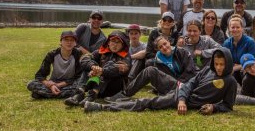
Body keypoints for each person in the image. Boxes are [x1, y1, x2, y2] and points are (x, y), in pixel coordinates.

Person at [84, 47, 238, 114]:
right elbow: (191, 83)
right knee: (151, 70)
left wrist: (214, 108)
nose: (218, 67)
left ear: (229, 63)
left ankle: (102, 108)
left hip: (181, 99)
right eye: (217, 64)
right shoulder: (207, 69)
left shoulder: (230, 81)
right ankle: (121, 97)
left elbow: (227, 106)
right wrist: (183, 98)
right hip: (181, 91)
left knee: (147, 103)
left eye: (222, 64)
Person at [104, 35, 196, 102]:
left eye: (165, 44)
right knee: (150, 70)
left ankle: (125, 94)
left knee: (150, 70)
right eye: (160, 47)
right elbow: (163, 79)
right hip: (172, 88)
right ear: (158, 50)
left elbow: (190, 72)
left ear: (169, 42)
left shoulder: (182, 52)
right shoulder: (159, 59)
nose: (164, 47)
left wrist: (180, 85)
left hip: (185, 86)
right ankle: (124, 94)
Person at [64, 30, 131, 106]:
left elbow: (121, 68)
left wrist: (102, 71)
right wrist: (93, 67)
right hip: (98, 85)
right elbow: (84, 58)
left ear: (122, 45)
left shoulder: (126, 56)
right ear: (108, 42)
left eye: (118, 42)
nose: (115, 44)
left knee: (110, 65)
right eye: (113, 41)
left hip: (114, 89)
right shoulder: (101, 51)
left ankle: (92, 95)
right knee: (89, 66)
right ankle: (79, 94)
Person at [27, 30, 83, 99]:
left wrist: (59, 85)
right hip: (54, 82)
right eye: (66, 40)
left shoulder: (77, 54)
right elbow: (39, 75)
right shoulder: (52, 54)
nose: (69, 42)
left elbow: (78, 76)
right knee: (31, 84)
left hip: (69, 83)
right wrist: (51, 85)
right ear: (61, 42)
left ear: (75, 43)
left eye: (72, 40)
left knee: (79, 87)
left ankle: (43, 94)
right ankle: (58, 93)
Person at [223, 15, 255, 84]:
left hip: (247, 71)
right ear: (229, 29)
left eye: (238, 27)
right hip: (232, 71)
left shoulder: (250, 42)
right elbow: (226, 61)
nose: (235, 29)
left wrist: (235, 67)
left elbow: (251, 62)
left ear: (242, 28)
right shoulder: (226, 43)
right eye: (233, 27)